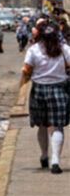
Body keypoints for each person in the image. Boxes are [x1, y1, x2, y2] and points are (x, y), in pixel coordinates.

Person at [20, 21, 69, 174]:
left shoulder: (33, 50)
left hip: (39, 90)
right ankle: (55, 161)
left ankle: (44, 156)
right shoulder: (64, 49)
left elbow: (26, 70)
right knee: (57, 126)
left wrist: (21, 89)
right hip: (59, 89)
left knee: (42, 124)